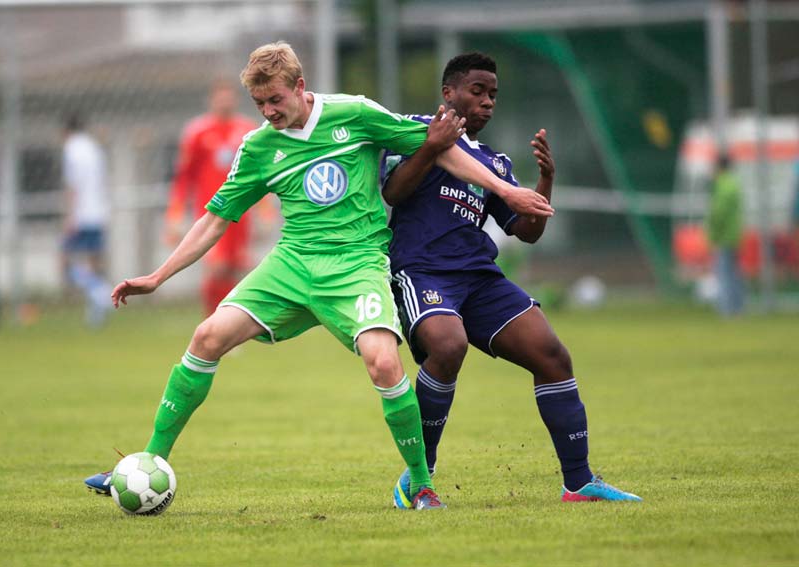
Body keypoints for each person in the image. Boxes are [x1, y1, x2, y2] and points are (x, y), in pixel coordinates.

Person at [84, 41, 554, 510]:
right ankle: (150, 461)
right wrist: (158, 277)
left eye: (275, 100)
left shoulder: (355, 113)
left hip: (357, 264)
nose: (268, 112)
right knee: (206, 337)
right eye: (260, 104)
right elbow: (214, 218)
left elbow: (438, 146)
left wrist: (504, 192)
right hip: (292, 264)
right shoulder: (258, 147)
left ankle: (421, 485)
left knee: (385, 364)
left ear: (300, 87)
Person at [381, 52, 641, 505]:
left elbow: (527, 232)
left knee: (553, 356)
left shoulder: (496, 164)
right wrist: (429, 145)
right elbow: (393, 191)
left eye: (493, 95)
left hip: (479, 277)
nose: (487, 102)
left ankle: (578, 483)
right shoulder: (414, 129)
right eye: (477, 91)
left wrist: (545, 181)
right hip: (423, 270)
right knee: (447, 345)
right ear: (449, 93)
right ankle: (418, 479)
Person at [165, 80, 260, 316]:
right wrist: (175, 215)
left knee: (234, 268)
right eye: (220, 97)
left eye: (229, 97)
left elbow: (259, 174)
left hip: (242, 213)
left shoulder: (247, 130)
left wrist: (265, 211)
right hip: (211, 210)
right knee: (216, 266)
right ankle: (213, 320)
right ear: (211, 100)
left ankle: (229, 324)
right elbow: (184, 178)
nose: (225, 102)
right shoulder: (197, 132)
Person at [62, 112, 112, 327]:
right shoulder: (94, 148)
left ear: (65, 131)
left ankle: (101, 292)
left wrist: (70, 216)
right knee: (93, 262)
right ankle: (95, 314)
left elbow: (73, 186)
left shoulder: (71, 149)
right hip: (99, 211)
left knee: (64, 260)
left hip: (82, 214)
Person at [706, 153, 744, 316]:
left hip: (724, 236)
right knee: (733, 273)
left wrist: (711, 233)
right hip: (734, 234)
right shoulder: (734, 184)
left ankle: (727, 309)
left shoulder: (722, 185)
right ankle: (737, 306)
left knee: (724, 273)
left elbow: (718, 213)